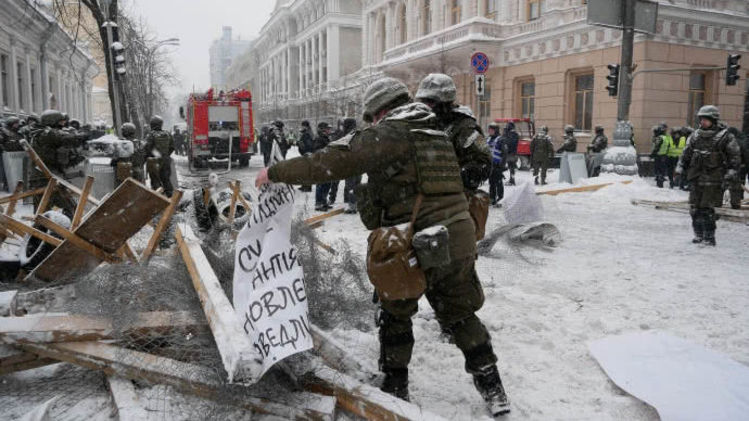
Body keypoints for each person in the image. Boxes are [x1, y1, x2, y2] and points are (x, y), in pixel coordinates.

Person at [255, 77, 510, 417]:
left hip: (415, 240)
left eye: (373, 117)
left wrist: (276, 172)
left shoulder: (391, 132)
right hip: (459, 235)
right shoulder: (435, 130)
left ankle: (394, 388)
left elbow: (330, 163)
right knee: (461, 313)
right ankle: (493, 389)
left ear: (383, 111)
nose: (373, 123)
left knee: (395, 314)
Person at [414, 73, 491, 194]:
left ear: (445, 101)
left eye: (431, 102)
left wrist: (451, 178)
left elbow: (484, 162)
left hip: (454, 199)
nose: (426, 106)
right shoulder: (425, 122)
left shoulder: (466, 128)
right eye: (424, 101)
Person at [675, 105, 741, 246]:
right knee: (694, 208)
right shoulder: (695, 136)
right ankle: (698, 235)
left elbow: (734, 159)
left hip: (714, 180)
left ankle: (709, 237)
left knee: (707, 209)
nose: (703, 122)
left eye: (706, 119)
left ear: (713, 120)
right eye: (701, 119)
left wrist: (729, 175)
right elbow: (685, 155)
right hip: (696, 178)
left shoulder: (726, 137)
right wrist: (680, 169)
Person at [29, 110, 84, 216]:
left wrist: (75, 159)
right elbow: (64, 138)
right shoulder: (45, 134)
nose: (63, 125)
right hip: (44, 179)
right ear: (52, 121)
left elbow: (55, 158)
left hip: (50, 177)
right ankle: (41, 231)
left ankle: (64, 230)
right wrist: (82, 136)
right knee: (44, 212)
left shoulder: (43, 133)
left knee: (68, 208)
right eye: (61, 122)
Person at [144, 115, 175, 197]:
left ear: (152, 124)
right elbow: (172, 147)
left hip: (154, 161)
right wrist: (165, 155)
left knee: (155, 181)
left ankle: (158, 198)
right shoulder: (168, 133)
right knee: (166, 180)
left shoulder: (150, 135)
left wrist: (154, 156)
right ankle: (170, 197)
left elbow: (147, 148)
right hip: (166, 160)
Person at [312, 121, 333, 211]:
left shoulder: (326, 138)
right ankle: (318, 203)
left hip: (327, 164)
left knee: (327, 184)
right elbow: (317, 151)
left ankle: (324, 201)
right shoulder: (319, 138)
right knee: (321, 184)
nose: (329, 130)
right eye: (328, 129)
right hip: (321, 165)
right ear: (323, 130)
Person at [726, 127, 748, 209]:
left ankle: (737, 200)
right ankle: (738, 199)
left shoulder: (736, 141)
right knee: (738, 183)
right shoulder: (741, 139)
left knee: (736, 183)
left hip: (739, 165)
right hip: (741, 165)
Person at [486, 122, 507, 206]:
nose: (489, 131)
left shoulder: (500, 140)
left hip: (498, 165)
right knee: (491, 182)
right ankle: (492, 198)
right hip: (490, 165)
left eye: (491, 130)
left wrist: (502, 166)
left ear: (496, 130)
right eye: (489, 130)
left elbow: (504, 154)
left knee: (498, 182)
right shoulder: (488, 139)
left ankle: (500, 198)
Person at [297, 121, 314, 192]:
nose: (301, 127)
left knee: (306, 171)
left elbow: (308, 145)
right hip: (306, 154)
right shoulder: (307, 133)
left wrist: (300, 144)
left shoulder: (307, 134)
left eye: (302, 126)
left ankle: (307, 187)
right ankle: (305, 185)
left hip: (307, 154)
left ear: (305, 126)